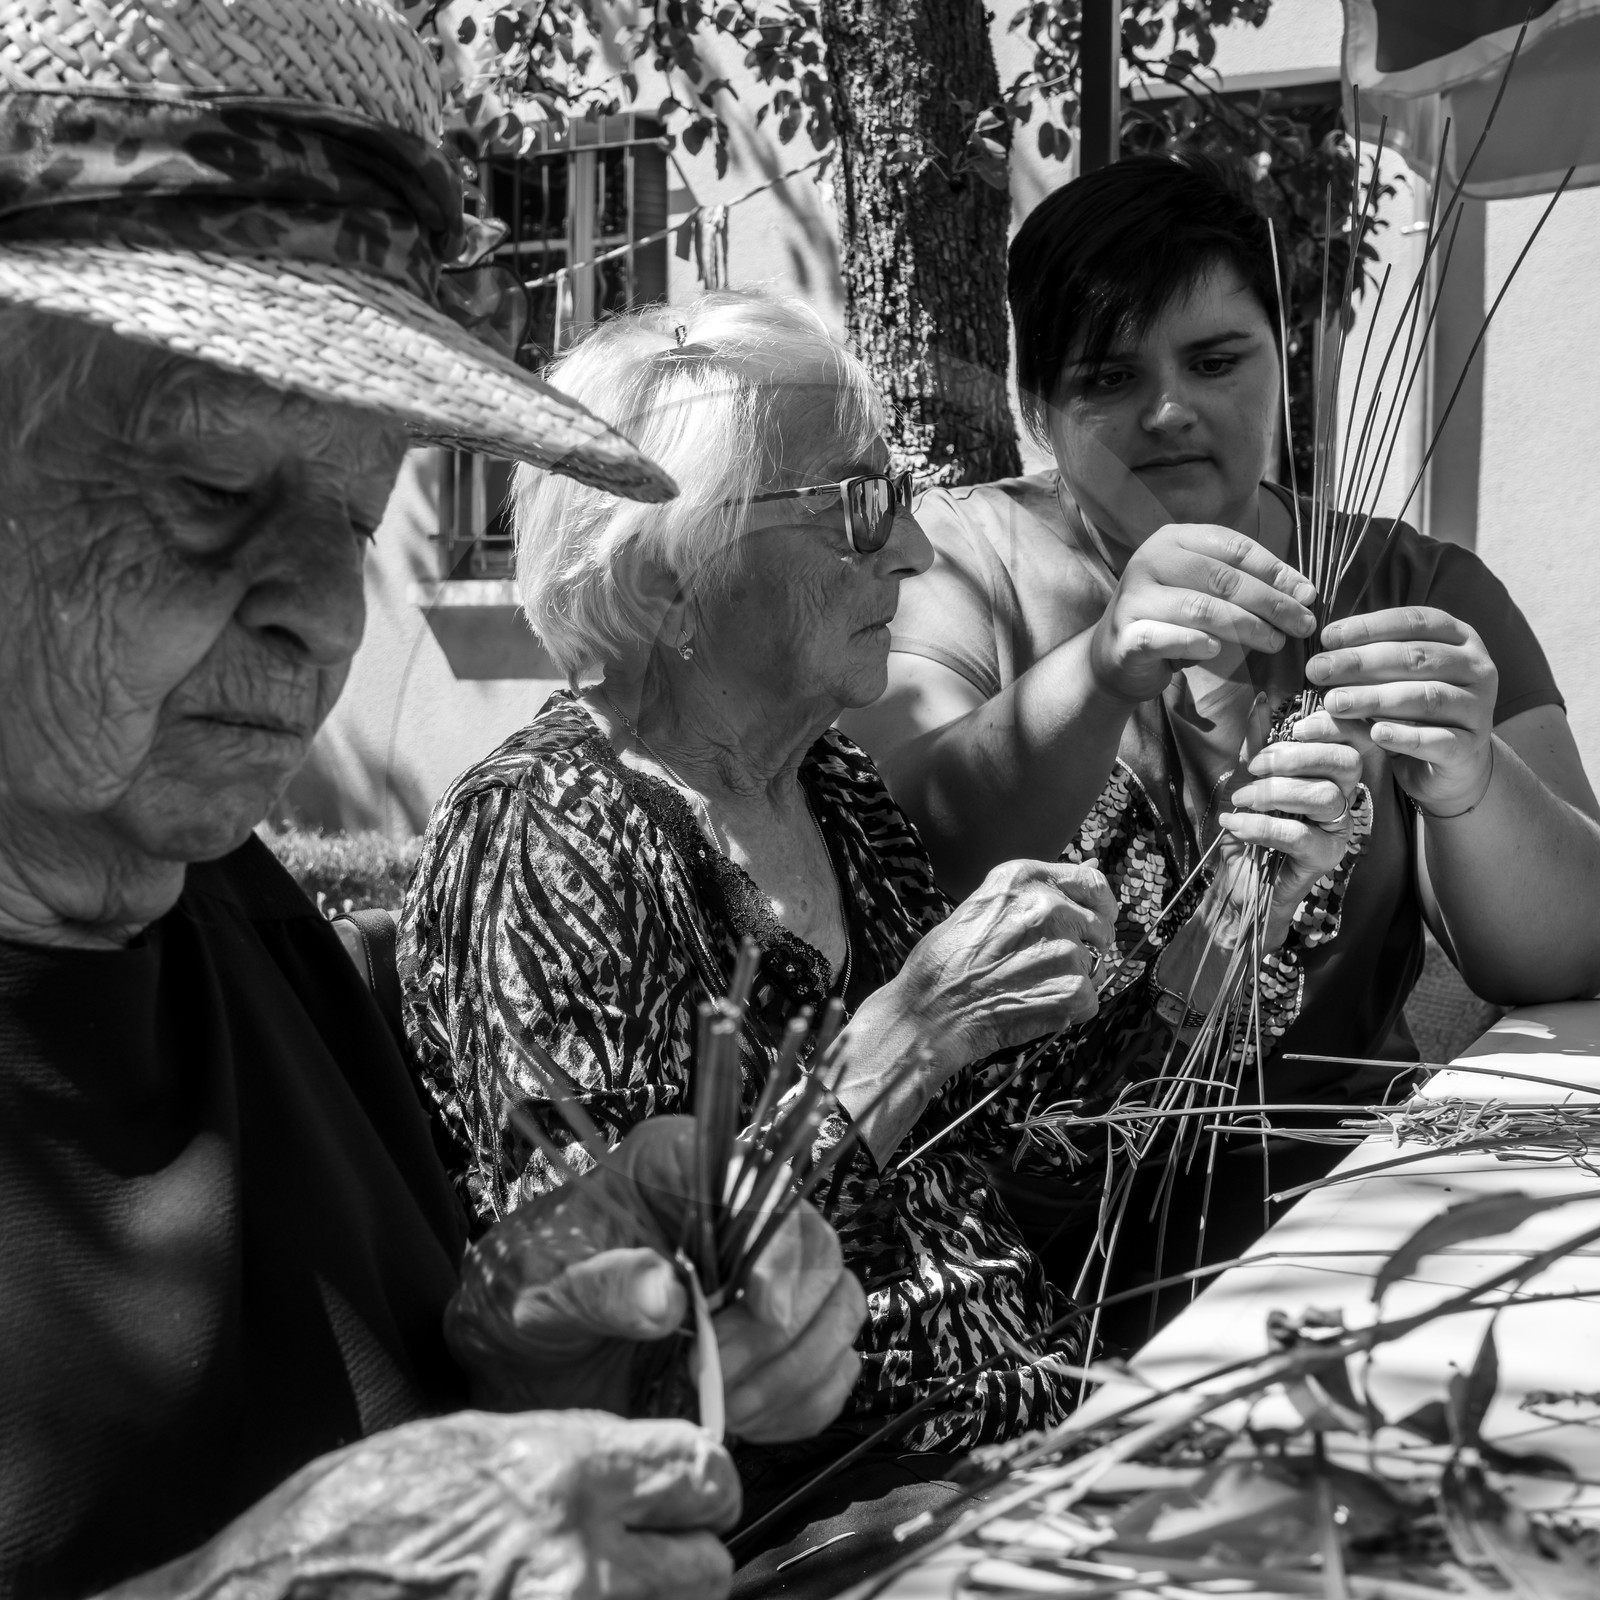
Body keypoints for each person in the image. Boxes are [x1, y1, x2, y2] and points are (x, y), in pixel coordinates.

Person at [0, 6, 863, 1599]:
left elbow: (410, 1444)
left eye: (359, 505)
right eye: (208, 490)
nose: (324, 614)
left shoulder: (232, 909)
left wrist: (554, 1325)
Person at [398, 290, 1364, 1586]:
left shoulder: (832, 786)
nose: (910, 549)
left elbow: (1037, 1156)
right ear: (669, 573)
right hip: (817, 1543)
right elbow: (617, 1346)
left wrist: (1252, 898)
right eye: (857, 506)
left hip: (1032, 1468)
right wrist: (909, 1033)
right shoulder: (549, 831)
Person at [843, 152, 1600, 1317]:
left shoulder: (1411, 585)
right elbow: (907, 853)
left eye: (1214, 359)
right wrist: (1098, 669)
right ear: (1034, 407)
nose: (1168, 410)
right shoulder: (952, 563)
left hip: (1348, 1231)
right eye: (1107, 376)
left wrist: (1468, 776)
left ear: (1282, 362)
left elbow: (1561, 957)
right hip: (1007, 1268)